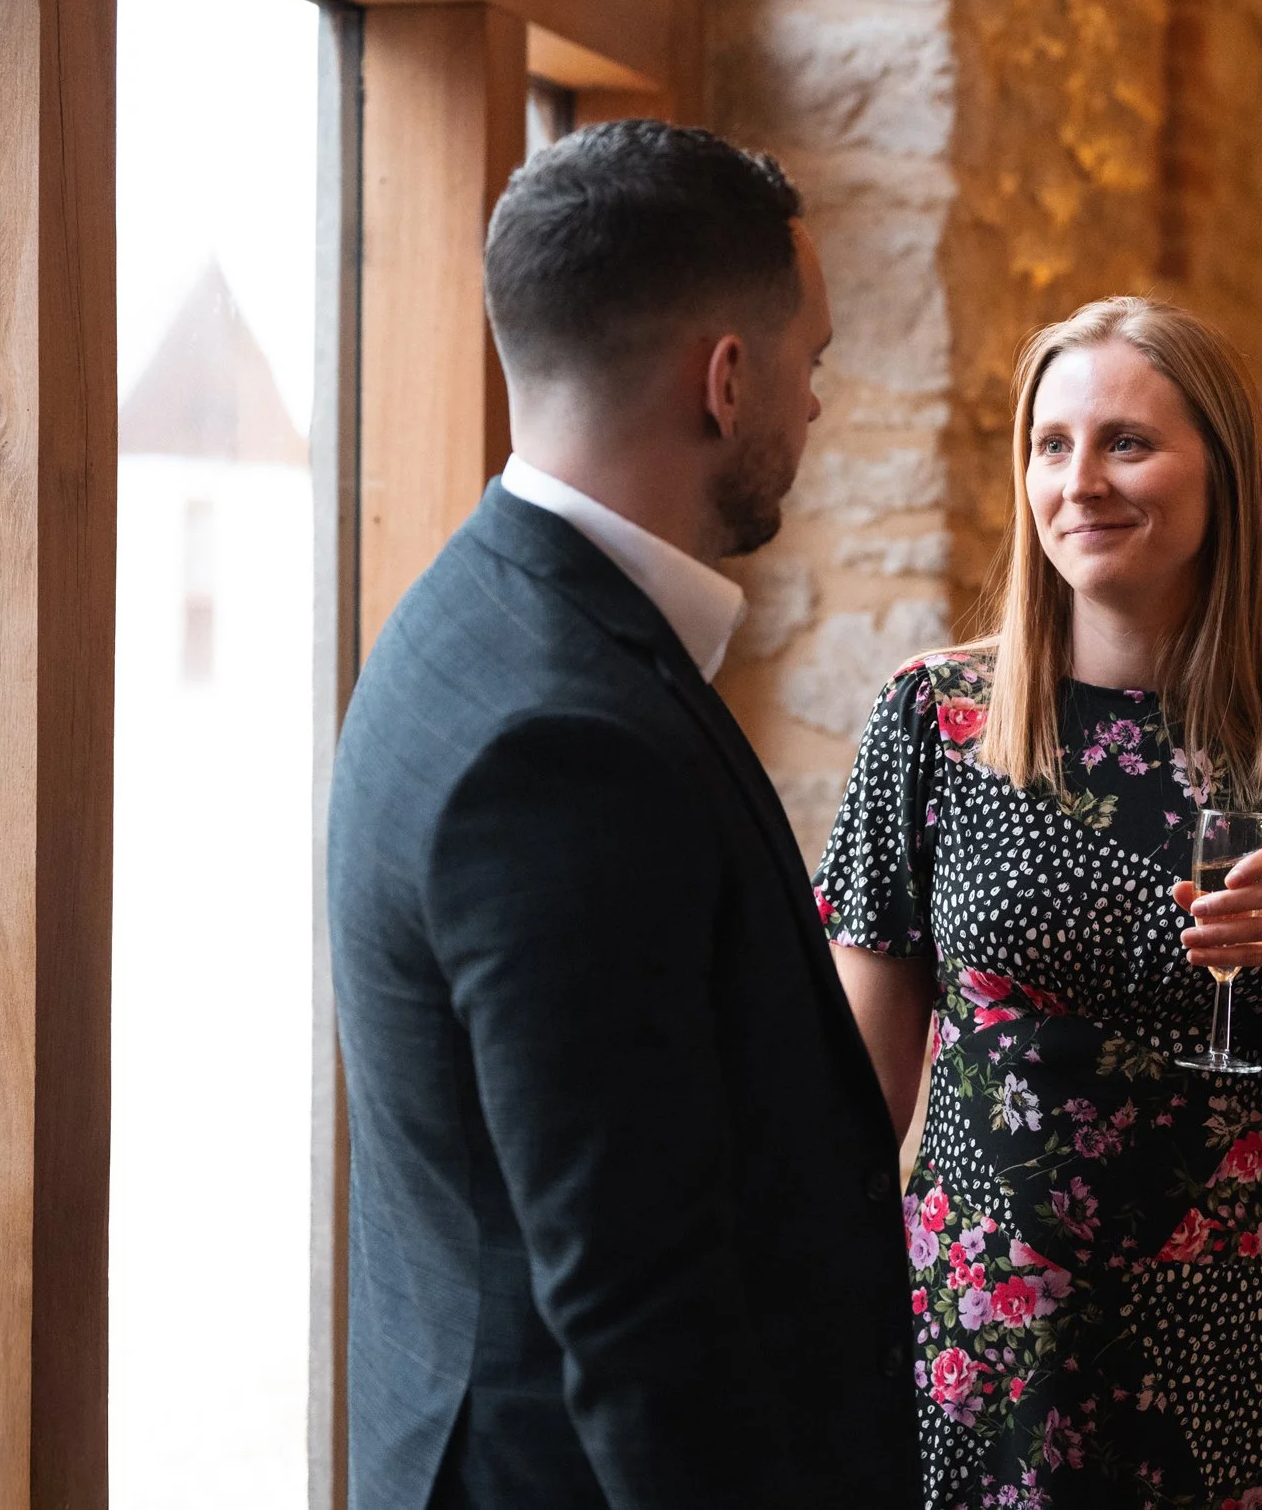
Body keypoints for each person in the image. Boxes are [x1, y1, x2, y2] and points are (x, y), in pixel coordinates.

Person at [325, 121, 918, 1509]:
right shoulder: (562, 739)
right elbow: (634, 1302)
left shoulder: (474, 615)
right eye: (810, 362)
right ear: (725, 377)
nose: (816, 410)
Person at [817, 297, 1262, 1509]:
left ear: (1224, 472)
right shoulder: (933, 719)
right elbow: (854, 1092)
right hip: (987, 1334)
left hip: (1235, 1331)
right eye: (1050, 443)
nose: (1080, 481)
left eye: (1126, 441)